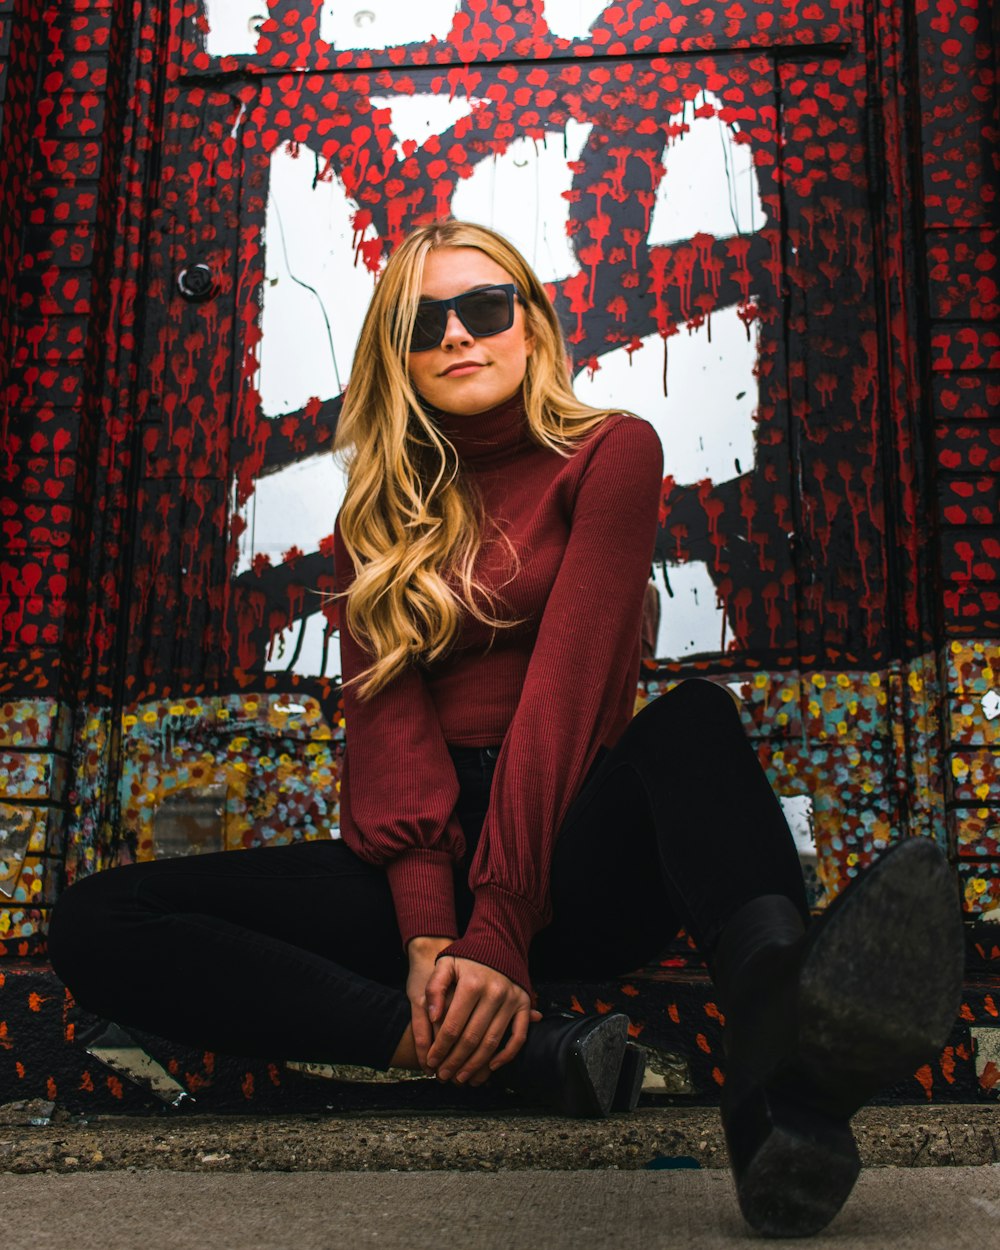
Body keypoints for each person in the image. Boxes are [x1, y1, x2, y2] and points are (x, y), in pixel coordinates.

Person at [48, 221, 964, 1238]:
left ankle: (775, 1017)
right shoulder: (376, 514)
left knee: (691, 723)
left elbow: (568, 695)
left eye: (484, 308)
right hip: (426, 852)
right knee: (101, 916)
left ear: (530, 324)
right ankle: (493, 1046)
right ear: (396, 356)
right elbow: (390, 743)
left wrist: (502, 923)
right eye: (421, 322)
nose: (457, 335)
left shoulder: (610, 452)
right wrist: (432, 939)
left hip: (573, 844)